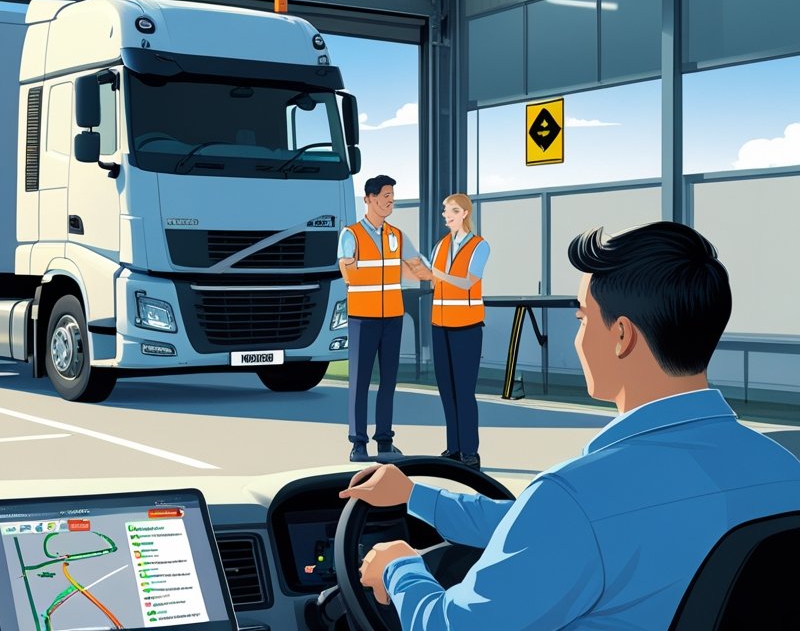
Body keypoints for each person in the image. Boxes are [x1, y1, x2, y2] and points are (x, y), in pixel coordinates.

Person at [341, 221, 800, 629]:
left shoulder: (574, 497)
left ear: (622, 336)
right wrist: (417, 497)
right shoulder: (782, 469)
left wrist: (399, 568)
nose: (577, 336)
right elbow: (541, 528)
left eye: (581, 317)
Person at [338, 175, 430, 463]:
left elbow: (418, 269)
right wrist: (391, 272)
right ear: (369, 198)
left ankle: (385, 440)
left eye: (392, 195)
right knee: (360, 382)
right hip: (362, 318)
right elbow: (348, 272)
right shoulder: (350, 235)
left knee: (389, 381)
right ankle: (358, 443)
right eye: (386, 195)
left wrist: (437, 272)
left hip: (392, 316)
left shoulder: (397, 235)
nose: (391, 200)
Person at [416, 193, 489, 470]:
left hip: (467, 328)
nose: (447, 215)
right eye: (445, 210)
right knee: (447, 390)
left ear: (465, 213)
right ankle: (454, 448)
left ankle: (470, 452)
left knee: (464, 391)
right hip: (440, 325)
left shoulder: (479, 247)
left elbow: (469, 282)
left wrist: (437, 273)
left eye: (453, 210)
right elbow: (436, 284)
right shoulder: (440, 246)